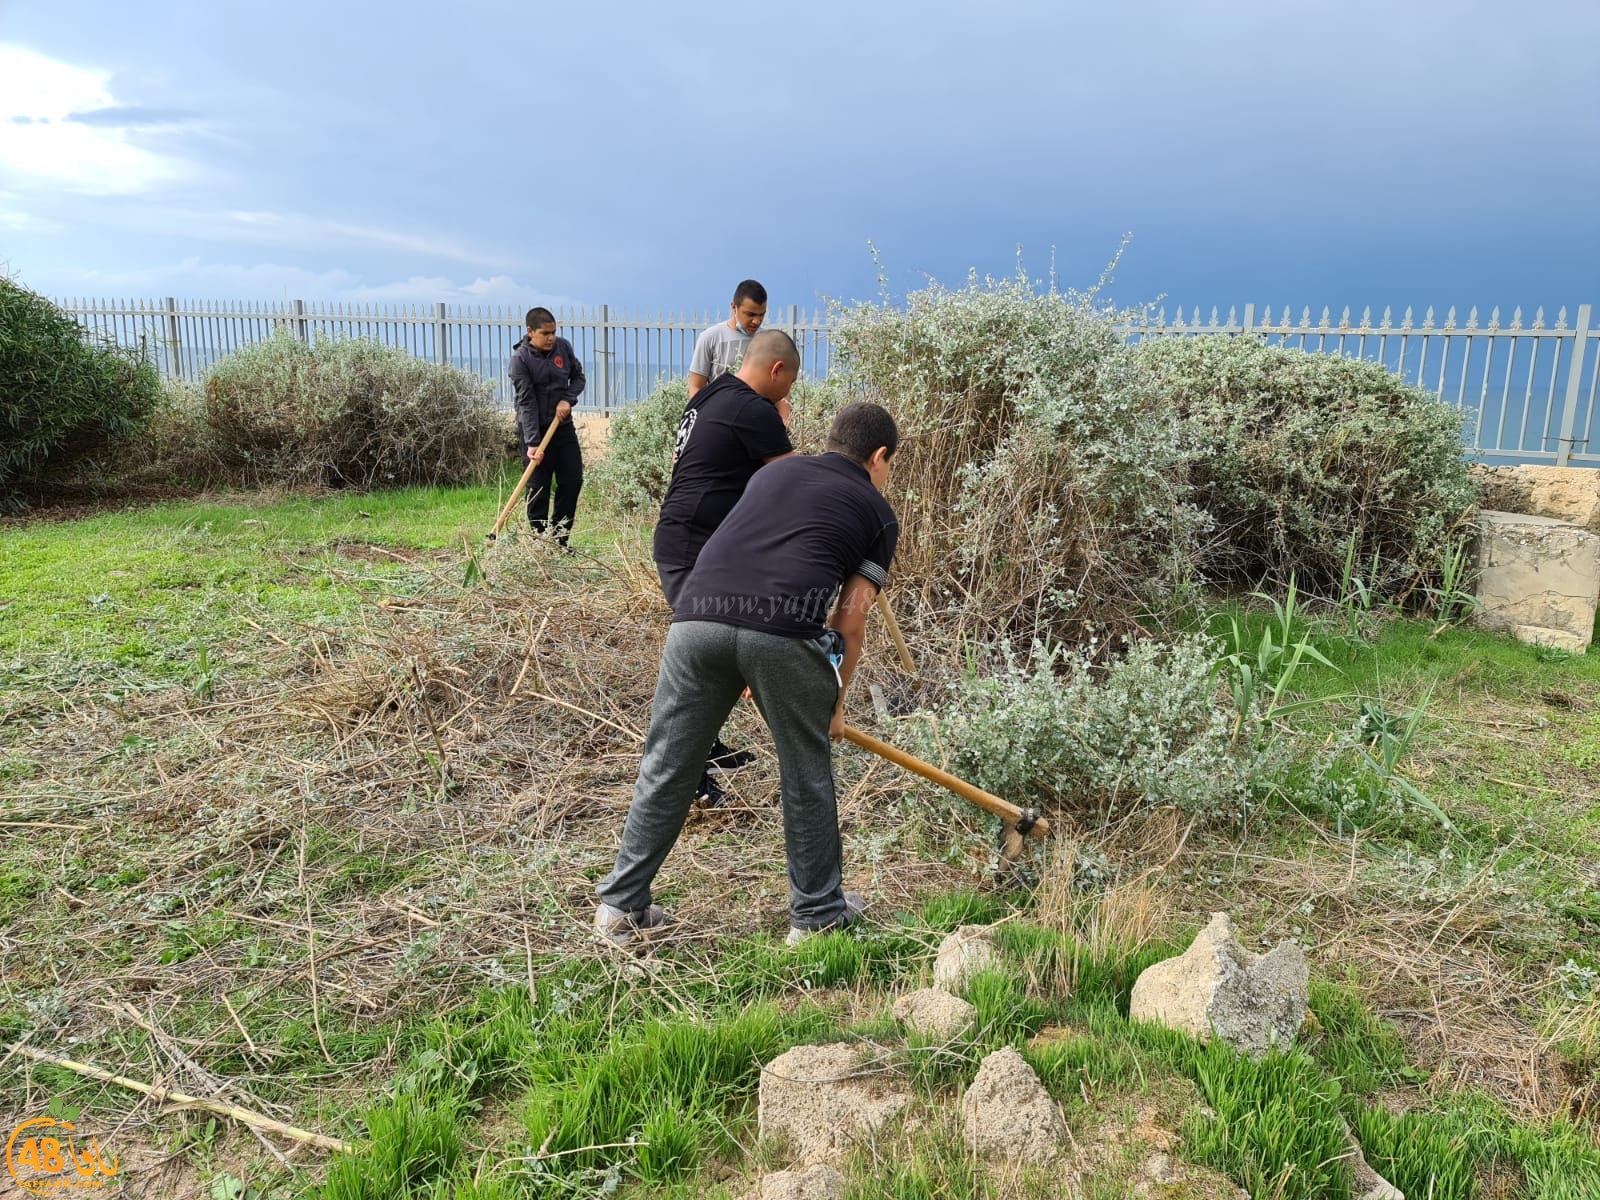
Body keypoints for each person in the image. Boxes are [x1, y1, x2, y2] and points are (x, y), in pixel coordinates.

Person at [595, 402, 901, 949]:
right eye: (888, 465)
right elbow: (849, 621)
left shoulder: (774, 473)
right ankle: (816, 917)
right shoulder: (877, 512)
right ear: (879, 457)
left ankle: (619, 908)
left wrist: (737, 653)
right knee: (806, 772)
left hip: (695, 620)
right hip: (782, 632)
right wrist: (834, 702)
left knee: (668, 762)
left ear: (831, 440)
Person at [656, 328, 798, 804]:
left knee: (715, 657)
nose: (788, 395)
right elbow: (791, 483)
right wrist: (782, 417)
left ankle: (708, 747)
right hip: (696, 550)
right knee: (704, 663)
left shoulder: (710, 394)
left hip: (689, 542)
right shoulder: (756, 411)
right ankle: (690, 782)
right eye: (790, 385)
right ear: (777, 371)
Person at [509, 307, 585, 545]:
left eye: (554, 332)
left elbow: (578, 377)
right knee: (538, 489)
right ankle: (540, 544)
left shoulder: (563, 347)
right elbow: (526, 402)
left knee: (572, 481)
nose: (551, 338)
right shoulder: (520, 360)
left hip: (562, 429)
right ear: (530, 331)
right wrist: (532, 443)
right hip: (536, 431)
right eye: (546, 333)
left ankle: (560, 541)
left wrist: (567, 399)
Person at [688, 280, 767, 400]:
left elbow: (780, 391)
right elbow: (696, 387)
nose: (756, 321)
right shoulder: (710, 338)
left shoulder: (767, 341)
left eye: (761, 315)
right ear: (734, 307)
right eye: (750, 314)